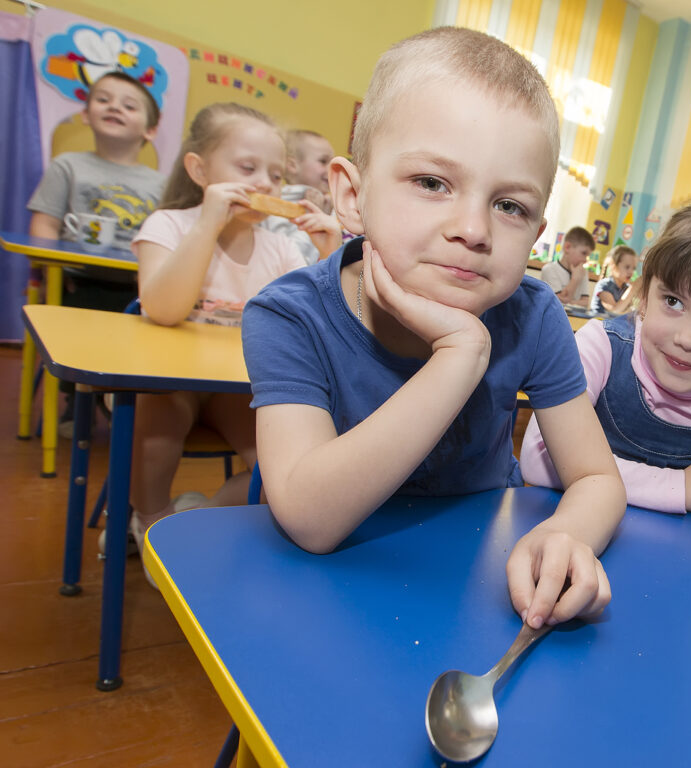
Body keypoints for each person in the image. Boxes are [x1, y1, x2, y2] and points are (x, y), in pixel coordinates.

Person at [241, 28, 625, 632]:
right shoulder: (290, 316)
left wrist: (567, 534)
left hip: (471, 590)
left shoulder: (532, 315)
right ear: (351, 195)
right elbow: (308, 521)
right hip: (323, 591)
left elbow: (598, 478)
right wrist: (459, 353)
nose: (474, 228)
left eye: (510, 206)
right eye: (432, 183)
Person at [126, 102, 338, 586]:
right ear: (200, 170)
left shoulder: (281, 247)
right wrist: (208, 224)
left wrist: (329, 254)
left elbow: (317, 323)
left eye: (275, 173)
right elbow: (163, 309)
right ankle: (151, 518)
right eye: (247, 169)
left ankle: (194, 522)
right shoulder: (169, 226)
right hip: (169, 383)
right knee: (154, 429)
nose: (264, 183)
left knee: (284, 469)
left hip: (237, 389)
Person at [521, 197, 691, 513]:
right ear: (644, 294)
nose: (688, 339)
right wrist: (680, 488)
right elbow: (537, 457)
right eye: (674, 301)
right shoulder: (601, 349)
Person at [27, 71, 164, 312]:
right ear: (86, 114)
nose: (114, 107)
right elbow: (45, 225)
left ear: (150, 130)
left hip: (137, 285)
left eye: (129, 106)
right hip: (73, 280)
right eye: (103, 100)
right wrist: (50, 271)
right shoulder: (67, 165)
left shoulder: (161, 184)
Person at [261, 129, 341, 264]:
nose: (331, 168)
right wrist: (315, 219)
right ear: (292, 165)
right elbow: (286, 258)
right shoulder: (279, 201)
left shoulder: (330, 202)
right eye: (323, 161)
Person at [540, 226, 595, 306]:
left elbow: (585, 303)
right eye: (584, 253)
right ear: (567, 247)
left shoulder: (583, 272)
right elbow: (557, 304)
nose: (586, 260)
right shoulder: (549, 270)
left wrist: (567, 302)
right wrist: (575, 279)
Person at [589, 244, 638, 315]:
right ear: (614, 266)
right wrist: (633, 288)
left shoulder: (626, 287)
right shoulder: (604, 285)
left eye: (633, 268)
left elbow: (629, 311)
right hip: (599, 324)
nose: (631, 272)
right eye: (627, 267)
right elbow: (614, 312)